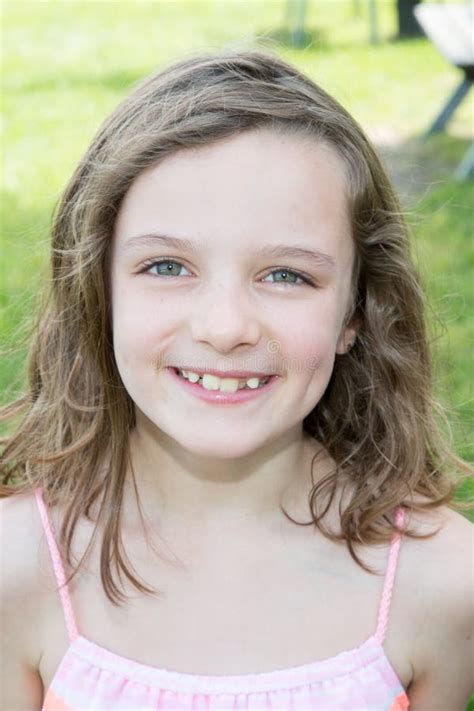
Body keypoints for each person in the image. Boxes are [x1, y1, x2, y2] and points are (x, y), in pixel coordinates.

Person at [1, 48, 472, 711]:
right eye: (167, 266)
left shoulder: (444, 581)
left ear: (356, 313)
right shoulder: (17, 566)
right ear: (98, 288)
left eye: (287, 275)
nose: (225, 328)